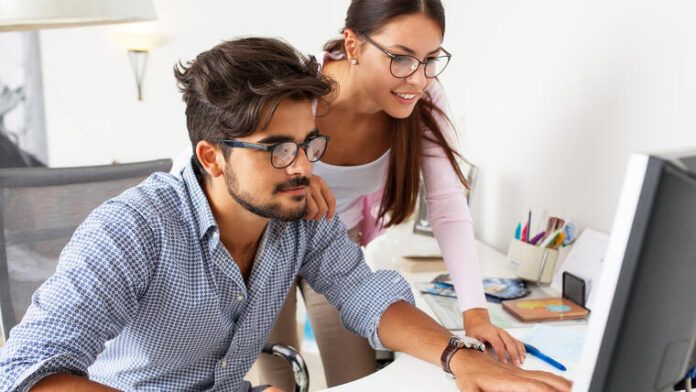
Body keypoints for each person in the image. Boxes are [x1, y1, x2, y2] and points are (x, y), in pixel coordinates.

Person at [0, 37, 571, 392]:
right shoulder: (131, 230)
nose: (303, 167)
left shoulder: (301, 214)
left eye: (309, 143)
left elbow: (365, 294)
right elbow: (25, 372)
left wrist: (459, 356)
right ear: (211, 156)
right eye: (278, 148)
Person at [257, 0, 527, 389]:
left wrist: (476, 315)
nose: (417, 78)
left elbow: (448, 208)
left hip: (335, 249)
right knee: (277, 376)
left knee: (357, 377)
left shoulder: (423, 98)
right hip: (263, 244)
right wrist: (291, 182)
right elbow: (220, 161)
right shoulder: (296, 90)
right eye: (400, 58)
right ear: (352, 45)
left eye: (430, 59)